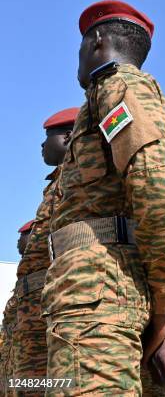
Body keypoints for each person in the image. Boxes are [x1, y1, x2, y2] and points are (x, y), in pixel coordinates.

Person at [42, 0, 165, 395]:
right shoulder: (103, 97)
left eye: (80, 48)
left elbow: (156, 192)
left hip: (100, 295)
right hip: (89, 294)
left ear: (96, 42)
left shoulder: (119, 86)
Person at [11, 108, 78, 392]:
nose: (41, 145)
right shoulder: (57, 183)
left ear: (67, 137)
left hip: (55, 304)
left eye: (46, 137)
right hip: (35, 308)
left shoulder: (78, 179)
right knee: (28, 385)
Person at [0, 220, 33, 394]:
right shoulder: (24, 277)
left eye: (23, 235)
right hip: (12, 367)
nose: (18, 241)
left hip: (32, 363)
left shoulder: (42, 271)